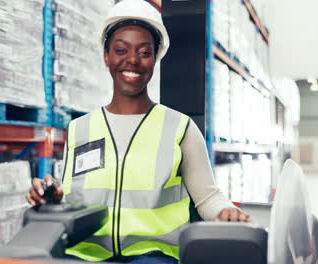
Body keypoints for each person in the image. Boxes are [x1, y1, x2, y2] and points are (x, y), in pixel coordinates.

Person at [26, 0, 250, 262]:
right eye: (121, 50)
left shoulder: (180, 129)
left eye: (144, 52)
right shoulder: (79, 129)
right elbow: (70, 198)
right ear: (106, 55)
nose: (132, 60)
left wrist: (226, 212)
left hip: (153, 254)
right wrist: (51, 199)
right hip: (85, 254)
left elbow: (208, 197)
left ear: (155, 58)